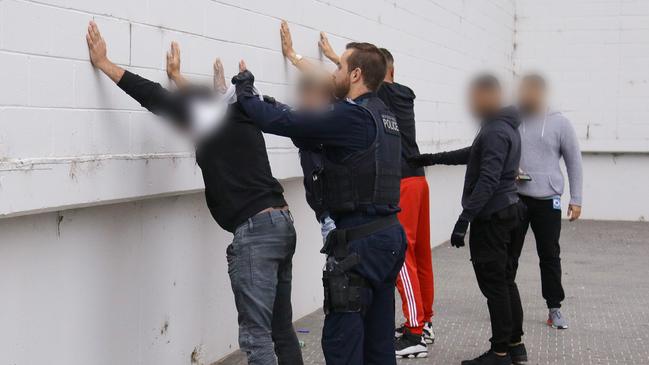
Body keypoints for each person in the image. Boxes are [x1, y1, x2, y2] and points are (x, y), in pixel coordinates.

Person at [85, 21, 303, 365]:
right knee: (279, 329)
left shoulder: (210, 116)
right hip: (281, 222)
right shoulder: (233, 115)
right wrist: (179, 77)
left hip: (257, 233)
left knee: (256, 337)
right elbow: (200, 105)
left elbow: (154, 97)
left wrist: (105, 63)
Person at [232, 42, 407, 365]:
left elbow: (283, 124)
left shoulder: (353, 116)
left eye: (339, 67)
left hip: (359, 245)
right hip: (387, 239)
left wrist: (245, 89)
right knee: (379, 345)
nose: (334, 73)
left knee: (343, 344)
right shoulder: (385, 116)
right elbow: (310, 131)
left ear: (355, 74)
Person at [319, 37, 435, 358]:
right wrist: (334, 57)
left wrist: (329, 60)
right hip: (416, 180)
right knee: (419, 254)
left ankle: (414, 330)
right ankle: (425, 321)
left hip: (403, 183)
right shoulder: (400, 97)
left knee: (404, 258)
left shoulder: (382, 95)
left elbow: (357, 82)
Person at [409, 75, 528, 365]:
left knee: (495, 286)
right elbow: (473, 154)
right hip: (508, 210)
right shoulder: (500, 127)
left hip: (493, 217)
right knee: (505, 282)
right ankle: (514, 347)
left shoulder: (496, 130)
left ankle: (499, 353)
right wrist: (430, 158)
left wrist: (464, 220)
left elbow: (487, 179)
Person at [515, 73, 583, 330]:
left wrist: (576, 199)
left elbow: (574, 161)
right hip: (518, 196)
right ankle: (505, 304)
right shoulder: (514, 118)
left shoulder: (560, 123)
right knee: (511, 252)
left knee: (550, 254)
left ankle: (554, 308)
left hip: (548, 199)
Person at [278, 20, 336, 241]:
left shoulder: (335, 117)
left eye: (308, 95)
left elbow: (328, 81)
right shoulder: (310, 119)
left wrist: (294, 55)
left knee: (342, 274)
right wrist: (292, 55)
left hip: (338, 218)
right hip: (328, 216)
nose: (302, 101)